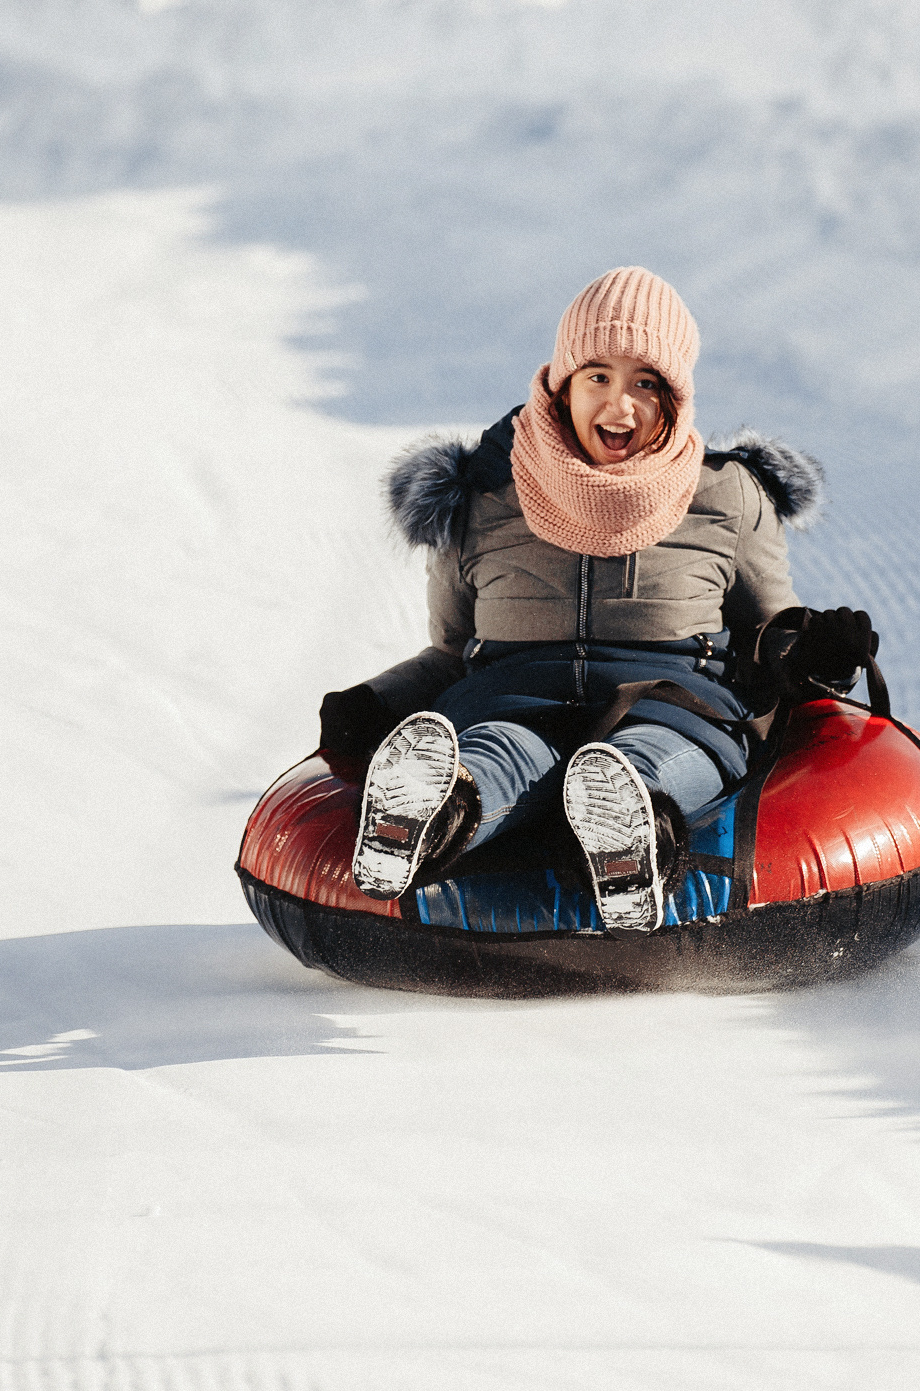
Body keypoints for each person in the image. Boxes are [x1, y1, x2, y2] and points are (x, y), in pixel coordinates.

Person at [317, 267, 873, 932]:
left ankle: (629, 843)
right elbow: (451, 654)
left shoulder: (727, 494)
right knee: (496, 753)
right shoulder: (485, 496)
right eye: (598, 377)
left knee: (636, 765)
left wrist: (816, 651)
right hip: (515, 699)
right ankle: (430, 815)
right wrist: (375, 702)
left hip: (674, 706)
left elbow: (769, 633)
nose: (620, 406)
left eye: (646, 383)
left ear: (676, 397)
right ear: (563, 385)